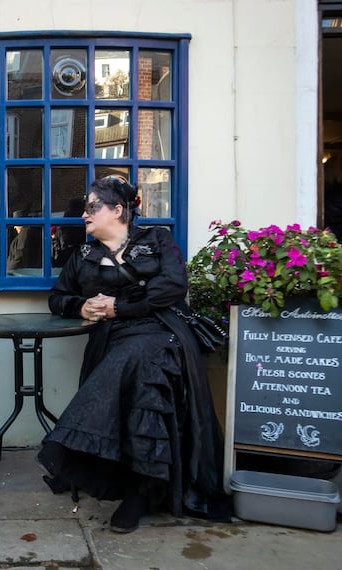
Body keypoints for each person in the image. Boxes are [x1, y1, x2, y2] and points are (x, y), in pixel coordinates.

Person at [37, 176, 231, 533]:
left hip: (163, 332)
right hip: (113, 341)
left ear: (118, 210)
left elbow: (173, 287)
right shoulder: (82, 256)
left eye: (93, 206)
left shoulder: (157, 240)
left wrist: (117, 307)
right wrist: (82, 307)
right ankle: (136, 486)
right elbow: (57, 297)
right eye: (85, 208)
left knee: (144, 358)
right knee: (132, 360)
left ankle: (141, 493)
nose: (84, 215)